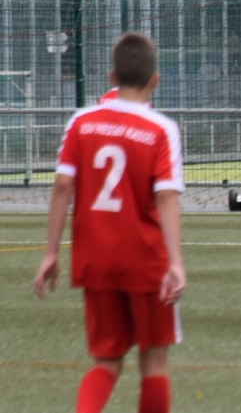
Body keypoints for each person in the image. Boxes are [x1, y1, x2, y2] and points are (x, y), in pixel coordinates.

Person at [33, 32, 186, 412]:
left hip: (96, 260)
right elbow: (166, 197)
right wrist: (176, 263)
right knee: (154, 363)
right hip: (145, 261)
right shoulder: (161, 129)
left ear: (112, 77)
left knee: (106, 362)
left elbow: (63, 186)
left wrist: (51, 252)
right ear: (155, 80)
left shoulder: (81, 122)